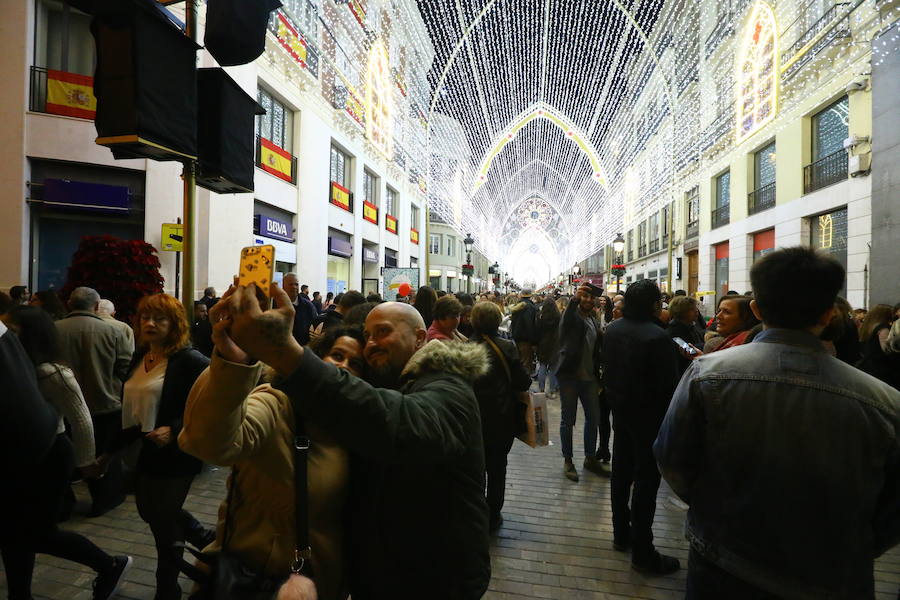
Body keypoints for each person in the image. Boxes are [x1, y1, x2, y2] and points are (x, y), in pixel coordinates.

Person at [217, 284, 492, 599]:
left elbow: (403, 427)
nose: (371, 343)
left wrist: (286, 354)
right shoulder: (386, 385)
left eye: (383, 332)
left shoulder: (449, 386)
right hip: (378, 579)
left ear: (419, 338)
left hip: (436, 582)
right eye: (368, 335)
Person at [654, 246, 900, 598]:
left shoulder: (708, 376)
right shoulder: (884, 402)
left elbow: (672, 458)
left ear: (755, 308)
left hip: (724, 566)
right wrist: (853, 545)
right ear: (830, 313)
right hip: (834, 577)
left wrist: (715, 509)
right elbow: (892, 506)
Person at [181, 321, 368, 600]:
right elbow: (211, 444)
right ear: (316, 359)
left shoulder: (358, 429)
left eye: (356, 364)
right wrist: (233, 366)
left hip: (325, 584)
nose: (343, 367)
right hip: (257, 582)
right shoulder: (278, 403)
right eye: (338, 356)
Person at [3, 306, 133, 600]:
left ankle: (110, 564)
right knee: (15, 532)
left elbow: (81, 417)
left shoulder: (50, 371)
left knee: (37, 532)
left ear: (31, 335)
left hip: (51, 457)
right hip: (29, 458)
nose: (8, 336)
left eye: (13, 330)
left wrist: (87, 463)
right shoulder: (19, 367)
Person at [107, 293, 211, 599]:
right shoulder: (142, 357)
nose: (149, 323)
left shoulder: (191, 360)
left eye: (159, 318)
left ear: (175, 324)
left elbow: (209, 405)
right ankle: (202, 537)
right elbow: (128, 407)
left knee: (163, 520)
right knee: (149, 511)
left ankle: (167, 586)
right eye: (145, 317)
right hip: (146, 451)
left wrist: (175, 428)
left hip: (178, 452)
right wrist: (107, 454)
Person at [603, 279, 681, 575]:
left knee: (620, 474)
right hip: (649, 419)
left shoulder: (614, 329)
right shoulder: (657, 337)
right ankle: (643, 552)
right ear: (653, 304)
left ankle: (621, 533)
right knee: (646, 482)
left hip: (621, 413)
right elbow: (668, 387)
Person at [56, 286, 134, 516]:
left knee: (68, 456)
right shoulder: (113, 331)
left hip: (65, 406)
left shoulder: (53, 330)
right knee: (104, 457)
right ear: (97, 305)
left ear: (70, 303)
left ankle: (65, 504)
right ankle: (105, 500)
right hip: (105, 404)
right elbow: (124, 367)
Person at [469, 301, 532, 532]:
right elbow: (523, 381)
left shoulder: (466, 346)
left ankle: (475, 513)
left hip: (473, 418)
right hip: (501, 417)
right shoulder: (507, 346)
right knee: (497, 468)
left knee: (476, 468)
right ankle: (494, 514)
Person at [553, 285, 604, 482]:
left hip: (589, 378)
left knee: (594, 418)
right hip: (570, 377)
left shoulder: (592, 319)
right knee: (568, 420)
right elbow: (566, 320)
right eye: (585, 297)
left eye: (592, 298)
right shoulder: (571, 319)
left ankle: (590, 458)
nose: (589, 300)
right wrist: (574, 299)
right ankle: (568, 460)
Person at [857, 303, 900, 390]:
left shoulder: (868, 328)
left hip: (869, 368)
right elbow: (887, 350)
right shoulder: (883, 328)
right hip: (882, 370)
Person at [667, 295, 705, 375]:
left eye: (696, 308)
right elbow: (689, 350)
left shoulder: (692, 326)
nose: (696, 311)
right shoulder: (674, 332)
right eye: (692, 309)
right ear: (681, 312)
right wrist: (708, 344)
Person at [510, 289, 540, 374]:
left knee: (520, 361)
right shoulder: (530, 307)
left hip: (517, 338)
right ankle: (524, 385)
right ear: (531, 295)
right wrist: (534, 342)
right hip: (526, 340)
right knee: (526, 363)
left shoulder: (517, 305)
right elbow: (530, 325)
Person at [283, 273, 318, 346]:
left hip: (302, 349)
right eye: (291, 284)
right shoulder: (274, 304)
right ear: (283, 286)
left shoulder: (308, 306)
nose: (294, 287)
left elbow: (314, 327)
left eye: (296, 284)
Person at [536, 297, 560, 397]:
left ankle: (541, 390)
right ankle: (552, 390)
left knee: (542, 366)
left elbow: (537, 330)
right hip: (555, 344)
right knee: (553, 368)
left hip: (542, 344)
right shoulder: (558, 316)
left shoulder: (540, 316)